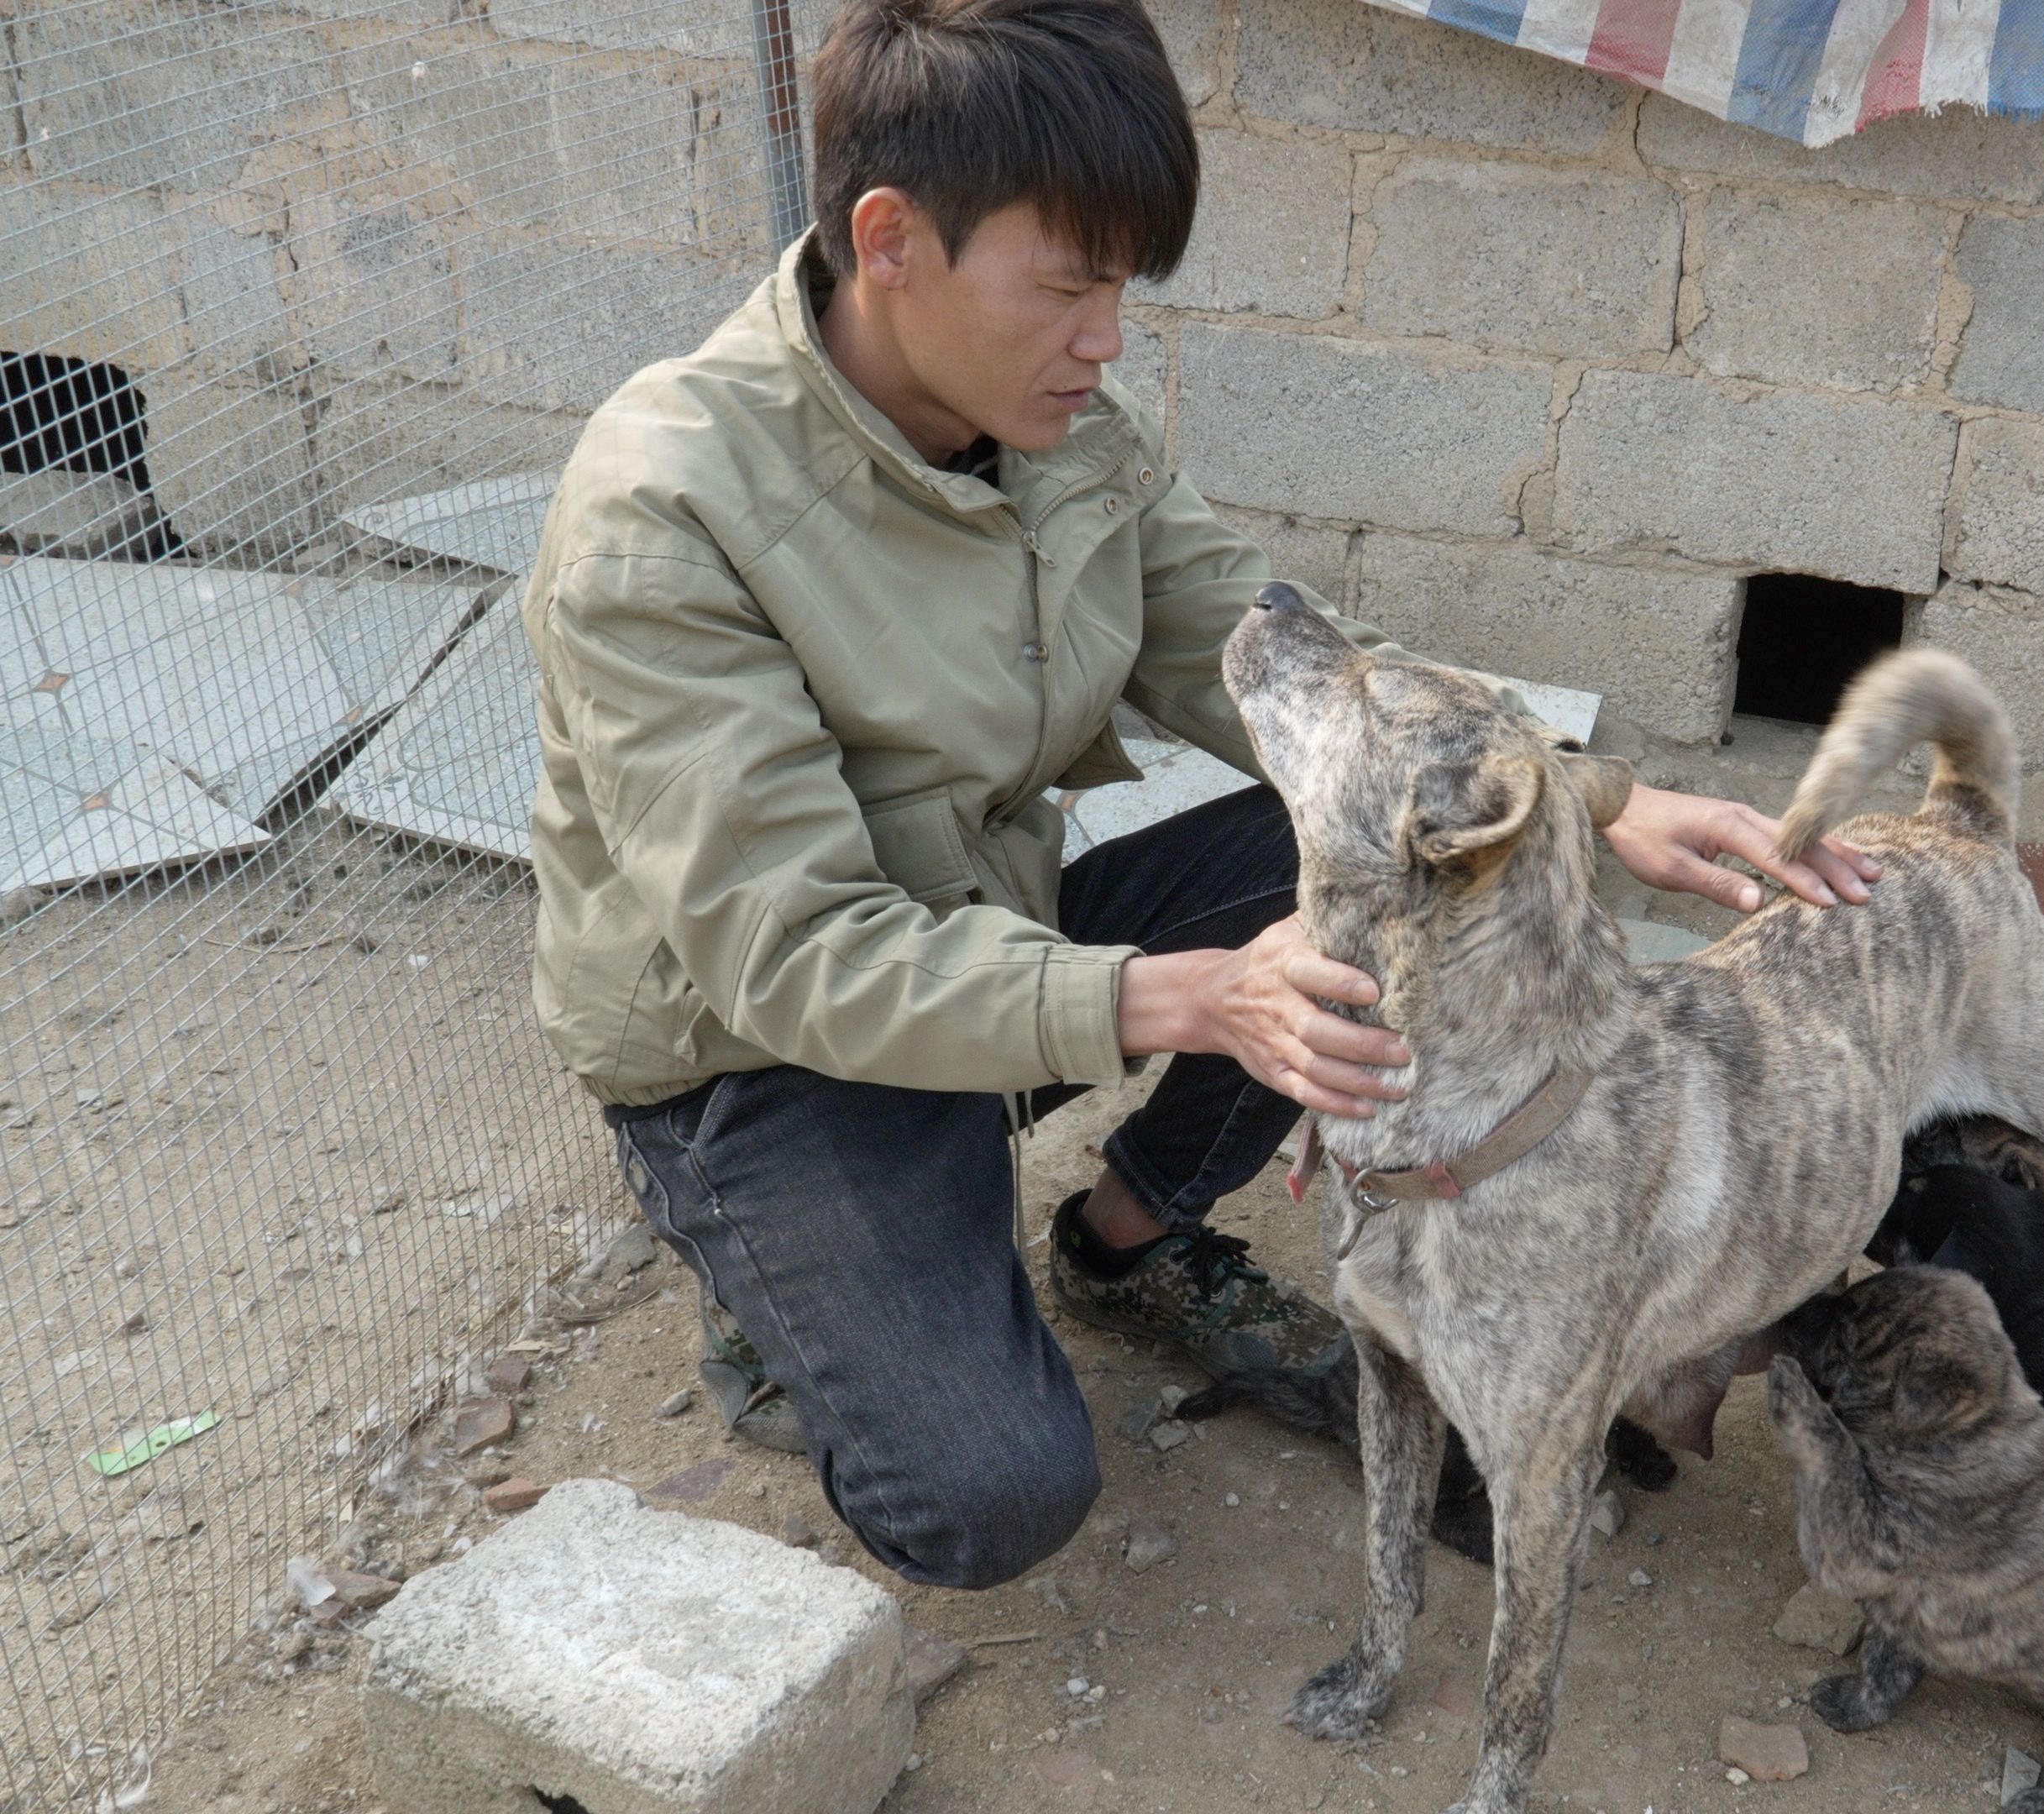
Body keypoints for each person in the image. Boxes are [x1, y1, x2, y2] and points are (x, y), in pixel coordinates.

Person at [521, 0, 1877, 1591]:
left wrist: (1580, 801)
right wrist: (1198, 999)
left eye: (1123, 287)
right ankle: (770, 1285)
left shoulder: (1060, 434)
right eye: (1069, 283)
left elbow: (1290, 670)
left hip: (991, 936)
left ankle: (1125, 1242)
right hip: (756, 1047)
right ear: (891, 240)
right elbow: (796, 952)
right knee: (989, 1495)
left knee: (1366, 877)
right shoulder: (665, 515)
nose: (1107, 337)